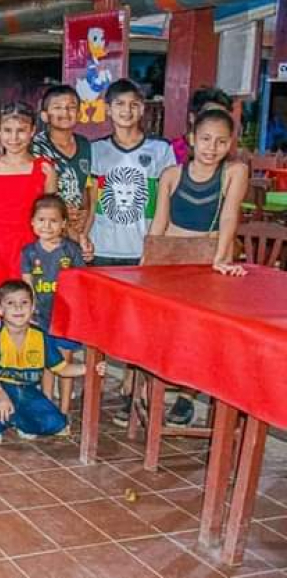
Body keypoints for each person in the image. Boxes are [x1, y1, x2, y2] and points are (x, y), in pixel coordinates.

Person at [85, 78, 176, 428]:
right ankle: (100, 384)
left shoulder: (160, 151)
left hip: (141, 252)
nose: (127, 111)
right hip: (104, 249)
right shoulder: (95, 151)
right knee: (105, 323)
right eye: (120, 104)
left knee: (140, 326)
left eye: (133, 104)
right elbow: (91, 201)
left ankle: (132, 387)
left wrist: (156, 249)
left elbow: (164, 205)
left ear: (143, 108)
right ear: (108, 109)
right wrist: (83, 235)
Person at [149, 109, 248, 426]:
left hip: (209, 263)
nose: (211, 147)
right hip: (172, 263)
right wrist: (145, 264)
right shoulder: (171, 175)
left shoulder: (235, 171)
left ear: (230, 143)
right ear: (192, 139)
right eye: (205, 139)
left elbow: (230, 215)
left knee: (200, 334)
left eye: (221, 141)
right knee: (166, 330)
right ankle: (150, 388)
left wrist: (221, 258)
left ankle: (187, 395)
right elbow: (159, 224)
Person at [0, 280, 104, 445]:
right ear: (0, 310)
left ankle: (20, 421)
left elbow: (62, 369)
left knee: (57, 424)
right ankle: (11, 418)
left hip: (27, 390)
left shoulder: (40, 336)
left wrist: (89, 368)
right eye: (11, 303)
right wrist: (2, 398)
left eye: (24, 303)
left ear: (32, 308)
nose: (18, 308)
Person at [0, 102, 57, 304]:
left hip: (31, 248)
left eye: (21, 131)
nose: (14, 138)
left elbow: (53, 221)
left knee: (29, 307)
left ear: (32, 131)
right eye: (8, 131)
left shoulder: (44, 169)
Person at [20, 194, 87, 431]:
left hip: (67, 318)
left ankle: (64, 412)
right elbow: (27, 286)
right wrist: (30, 311)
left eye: (53, 221)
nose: (47, 226)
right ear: (32, 222)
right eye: (41, 220)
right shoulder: (28, 252)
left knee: (65, 363)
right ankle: (48, 410)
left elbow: (81, 283)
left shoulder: (72, 250)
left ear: (63, 224)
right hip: (41, 318)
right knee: (48, 363)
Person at [33, 84, 95, 253]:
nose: (65, 113)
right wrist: (61, 210)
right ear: (45, 116)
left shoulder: (85, 145)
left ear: (80, 114)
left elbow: (85, 186)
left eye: (71, 107)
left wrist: (83, 212)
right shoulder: (35, 146)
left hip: (75, 230)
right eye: (57, 107)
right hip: (45, 230)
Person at [172, 88, 233, 165]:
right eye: (210, 116)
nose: (216, 124)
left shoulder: (223, 158)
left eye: (222, 118)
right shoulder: (169, 152)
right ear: (192, 117)